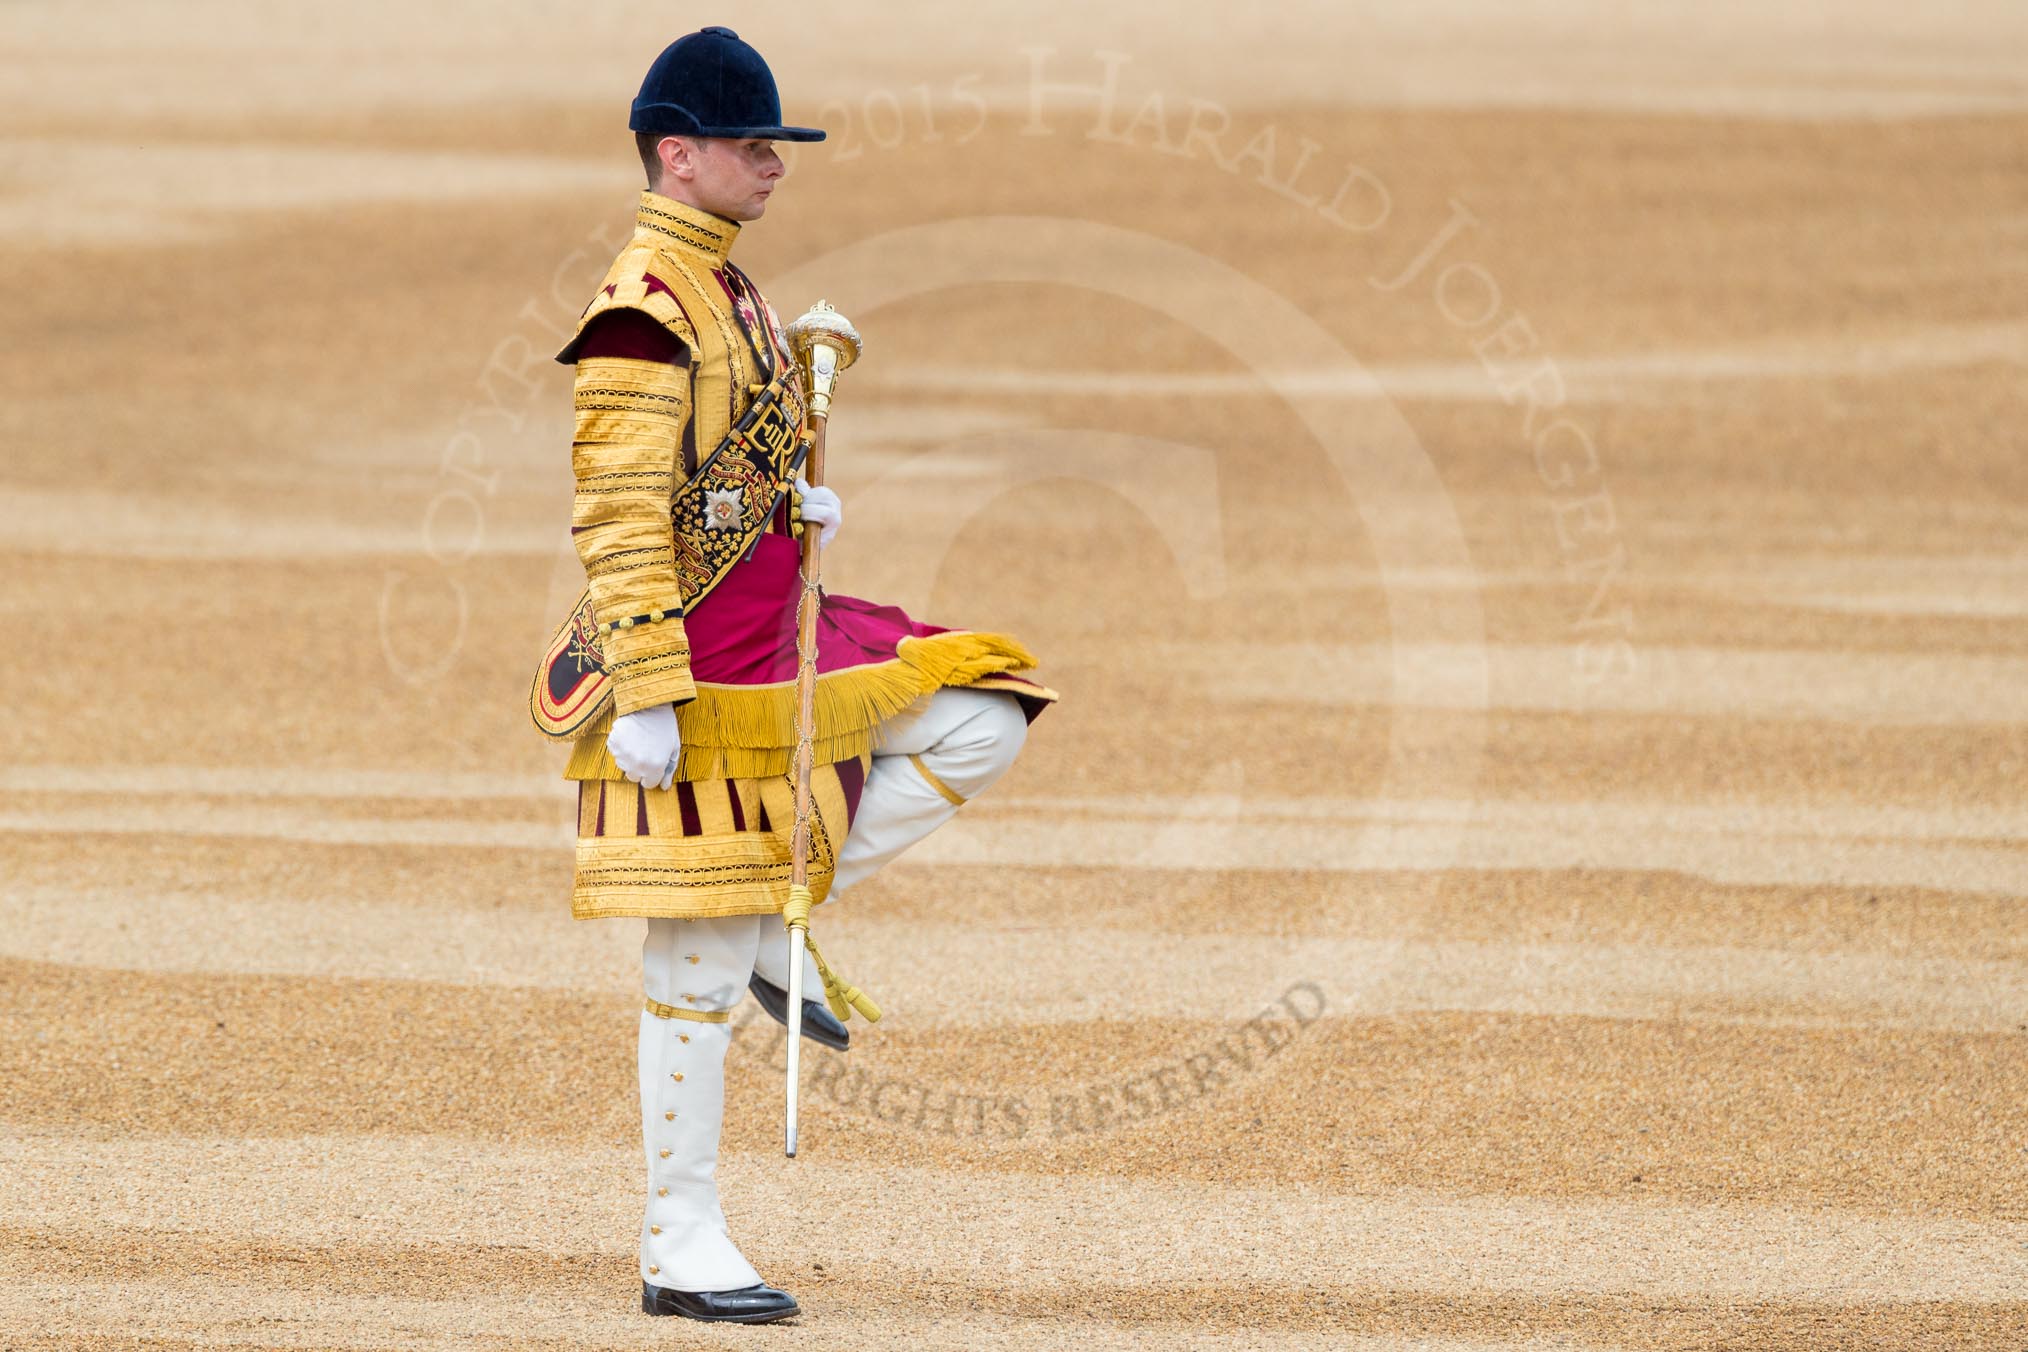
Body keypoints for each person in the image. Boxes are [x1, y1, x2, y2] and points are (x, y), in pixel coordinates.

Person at [526, 26, 1057, 1325]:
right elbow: (615, 517)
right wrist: (647, 687)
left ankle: (783, 912)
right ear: (678, 153)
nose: (774, 163)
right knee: (692, 972)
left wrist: (787, 504)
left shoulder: (736, 291)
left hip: (780, 639)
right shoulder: (643, 308)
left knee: (985, 712)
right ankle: (678, 1237)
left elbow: (717, 475)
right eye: (753, 144)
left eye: (774, 145)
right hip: (698, 675)